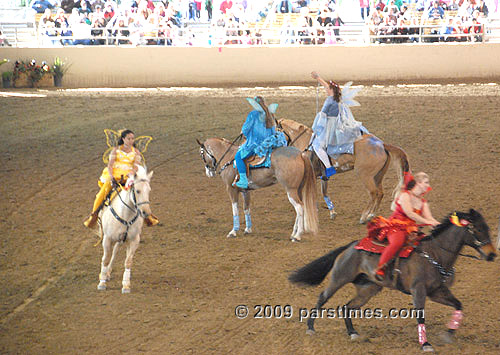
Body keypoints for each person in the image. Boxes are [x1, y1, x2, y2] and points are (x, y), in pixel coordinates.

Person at [370, 172, 440, 281]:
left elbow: (430, 218)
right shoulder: (405, 195)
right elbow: (410, 213)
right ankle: (380, 268)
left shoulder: (423, 202)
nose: (428, 185)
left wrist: (441, 225)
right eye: (426, 182)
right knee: (397, 242)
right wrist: (427, 222)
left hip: (412, 230)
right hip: (396, 226)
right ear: (418, 183)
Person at [83, 129, 159, 228]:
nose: (131, 140)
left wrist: (131, 173)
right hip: (115, 174)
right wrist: (111, 176)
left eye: (132, 139)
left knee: (140, 191)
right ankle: (94, 215)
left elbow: (136, 166)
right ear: (123, 139)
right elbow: (110, 165)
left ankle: (148, 216)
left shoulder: (136, 152)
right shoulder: (116, 150)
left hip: (128, 175)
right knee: (103, 192)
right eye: (129, 138)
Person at [309, 71, 365, 179]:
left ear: (331, 90)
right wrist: (318, 78)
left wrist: (317, 126)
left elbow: (323, 115)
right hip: (336, 123)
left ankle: (328, 167)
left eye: (327, 89)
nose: (325, 90)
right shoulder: (338, 97)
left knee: (317, 146)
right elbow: (327, 86)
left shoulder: (329, 101)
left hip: (329, 125)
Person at [233, 97, 287, 189]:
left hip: (255, 144)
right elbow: (273, 130)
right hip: (269, 142)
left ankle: (243, 180)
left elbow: (246, 129)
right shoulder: (269, 114)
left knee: (238, 157)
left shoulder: (253, 114)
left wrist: (243, 132)